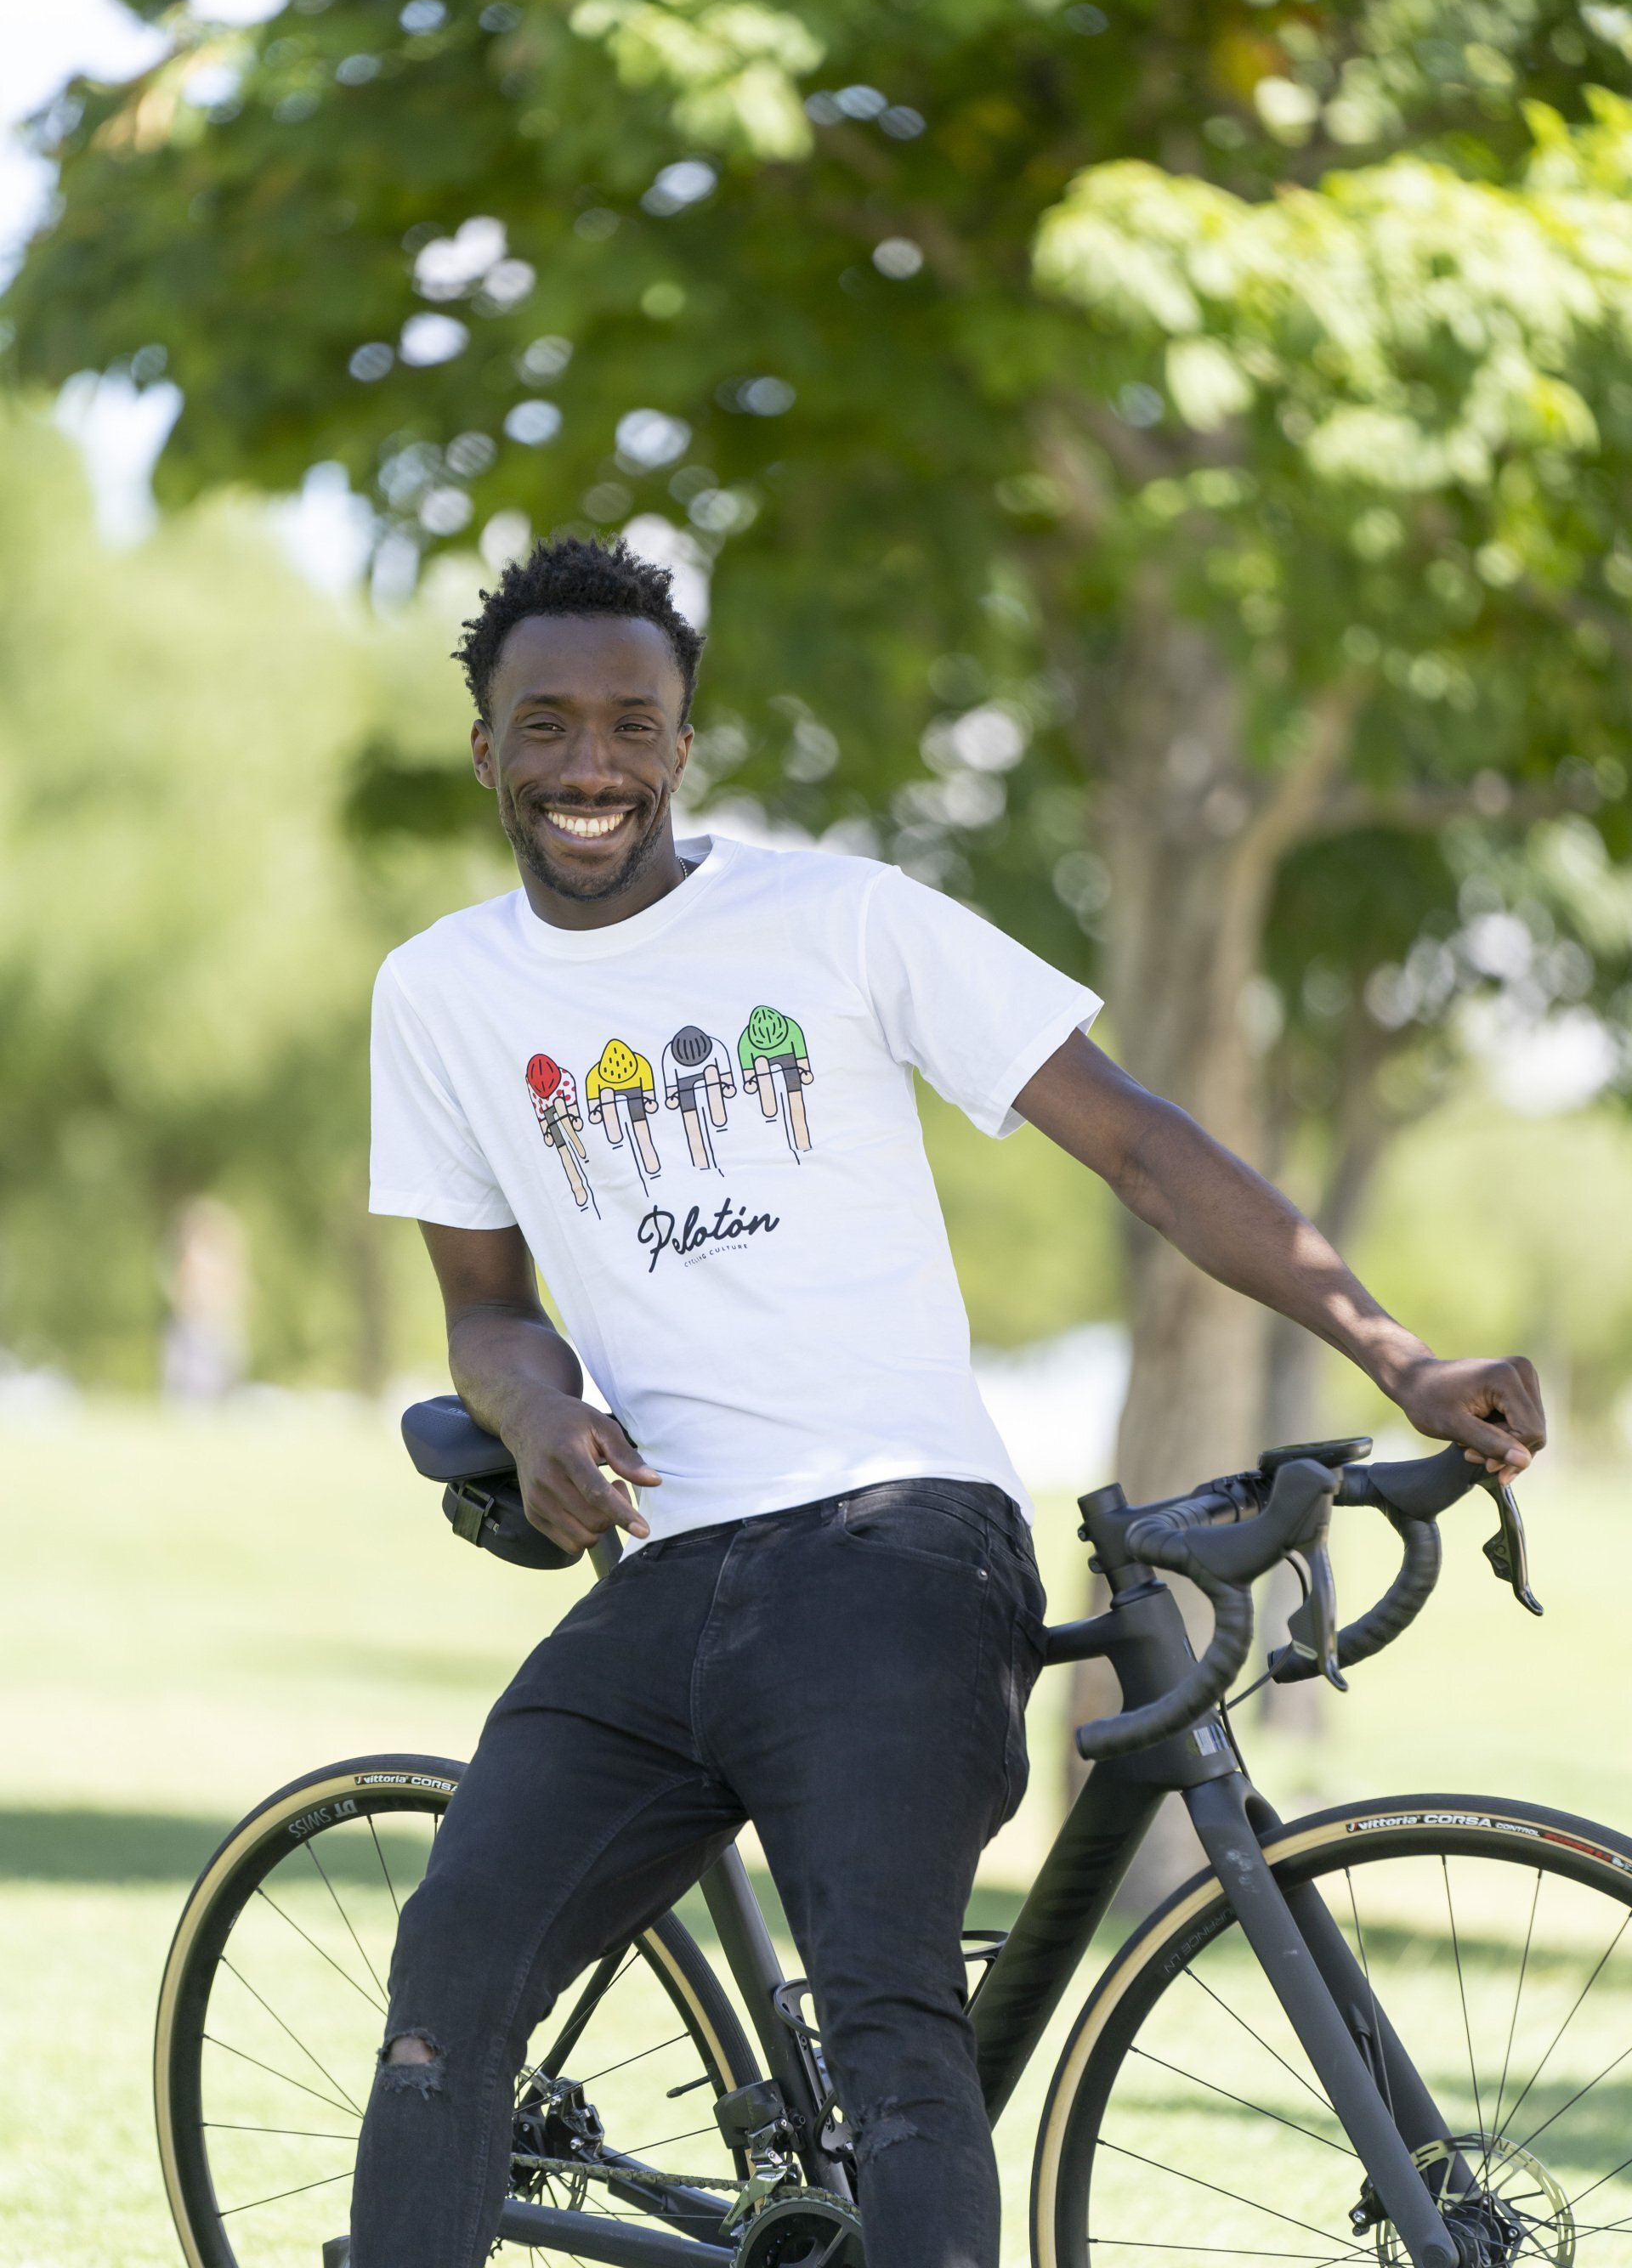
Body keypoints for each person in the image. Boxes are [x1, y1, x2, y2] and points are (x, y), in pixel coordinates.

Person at [356, 534, 1545, 2268]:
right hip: (668, 1565)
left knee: (897, 2043)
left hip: (899, 1544)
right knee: (445, 1986)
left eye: (632, 725)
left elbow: (1139, 1143)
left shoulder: (838, 921)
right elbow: (487, 1310)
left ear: (685, 743)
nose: (590, 766)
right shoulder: (441, 991)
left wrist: (1397, 1352)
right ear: (490, 751)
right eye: (546, 727)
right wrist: (537, 1419)